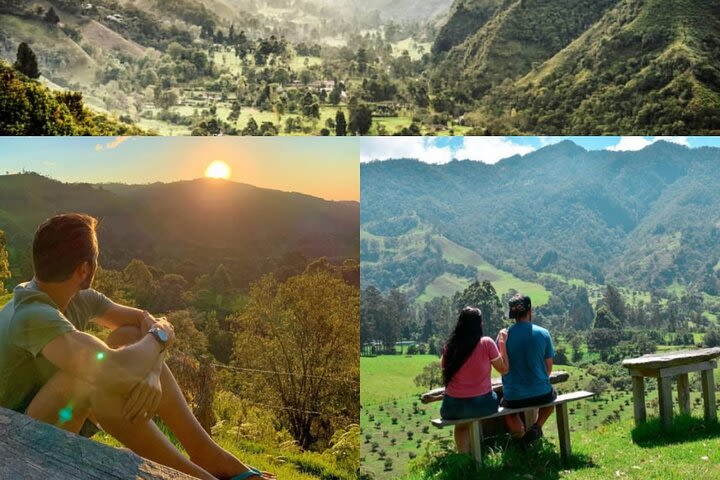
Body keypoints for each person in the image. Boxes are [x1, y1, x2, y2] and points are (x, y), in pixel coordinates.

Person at [0, 213, 273, 480]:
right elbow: (124, 359)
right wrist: (160, 337)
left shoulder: (75, 295)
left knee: (128, 336)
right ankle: (197, 475)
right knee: (91, 378)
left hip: (50, 419)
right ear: (84, 269)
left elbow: (142, 321)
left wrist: (153, 369)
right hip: (15, 436)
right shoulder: (31, 313)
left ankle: (206, 453)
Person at [440, 306, 509, 453]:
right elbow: (504, 369)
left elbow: (444, 370)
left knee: (461, 425)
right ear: (479, 324)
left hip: (452, 408)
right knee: (499, 397)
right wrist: (502, 343)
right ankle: (486, 450)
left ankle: (465, 459)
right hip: (483, 405)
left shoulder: (449, 347)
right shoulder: (487, 343)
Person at [499, 293, 556, 445]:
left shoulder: (504, 337)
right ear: (530, 311)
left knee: (506, 408)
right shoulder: (543, 333)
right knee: (552, 399)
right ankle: (537, 427)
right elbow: (548, 370)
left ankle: (519, 440)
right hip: (542, 394)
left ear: (512, 314)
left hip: (514, 398)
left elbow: (502, 367)